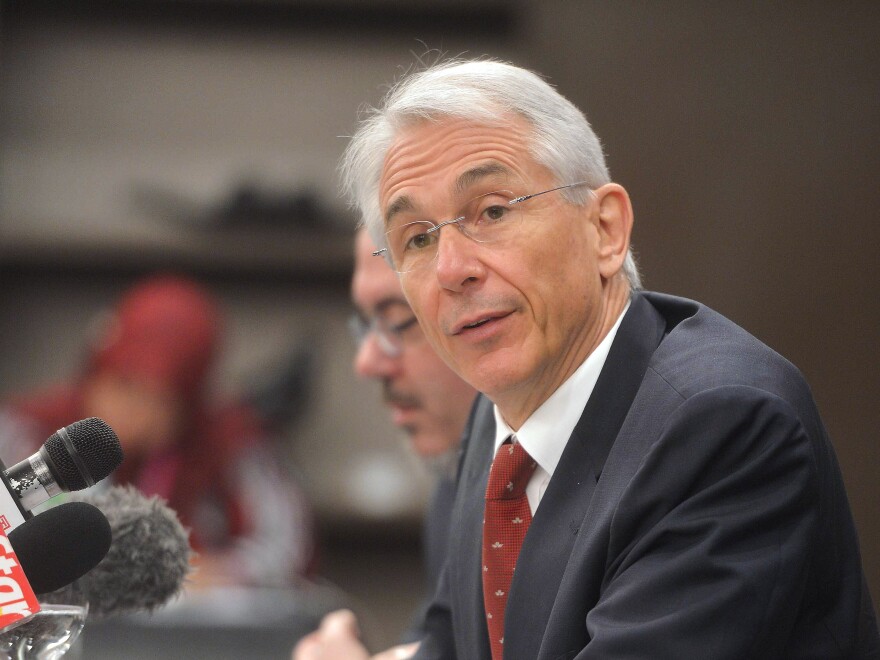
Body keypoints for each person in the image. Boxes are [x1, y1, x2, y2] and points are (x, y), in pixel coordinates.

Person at [297, 58, 879, 658]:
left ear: (605, 229)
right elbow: (448, 644)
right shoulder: (497, 423)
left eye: (492, 211)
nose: (451, 269)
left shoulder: (723, 422)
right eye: (417, 238)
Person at [0, 274, 314, 588]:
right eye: (124, 385)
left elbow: (284, 547)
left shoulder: (228, 445)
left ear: (189, 404)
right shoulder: (25, 430)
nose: (134, 412)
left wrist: (214, 573)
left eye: (160, 399)